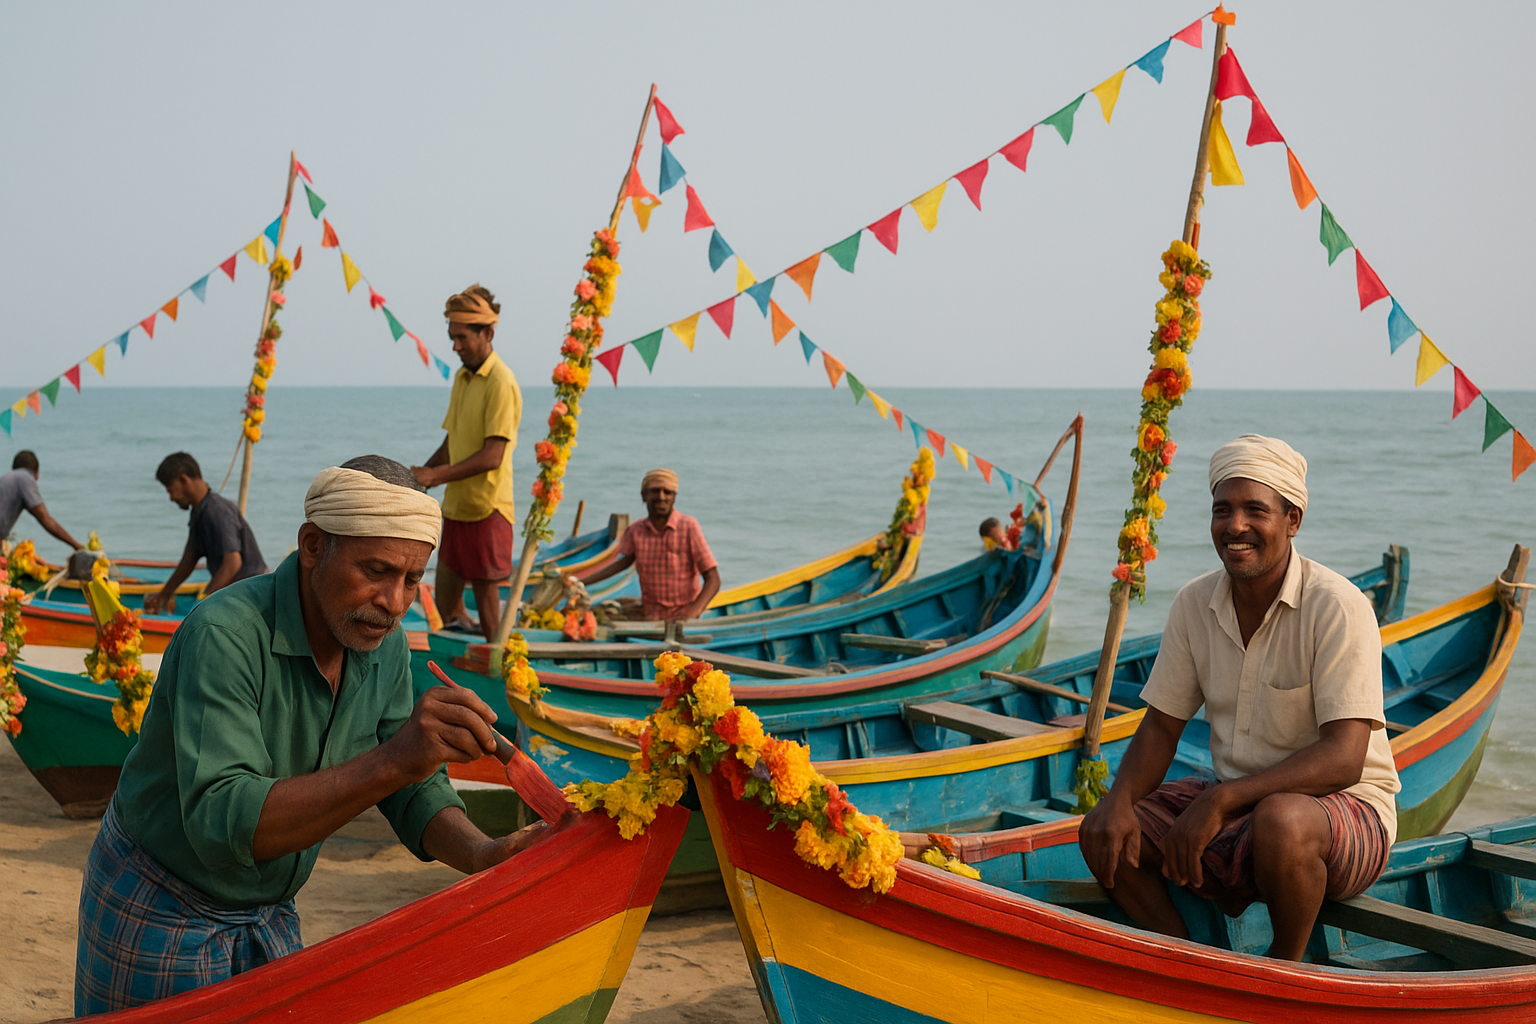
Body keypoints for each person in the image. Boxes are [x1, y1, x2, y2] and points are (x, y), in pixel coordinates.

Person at [75, 456, 538, 1014]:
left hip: (269, 907)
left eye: (412, 580)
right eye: (375, 571)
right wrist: (394, 760)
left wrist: (483, 853)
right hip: (162, 899)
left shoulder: (383, 643)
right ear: (314, 545)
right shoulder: (224, 635)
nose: (393, 603)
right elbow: (223, 821)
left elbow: (413, 784)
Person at [1078, 434, 1400, 961]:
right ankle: (1182, 958)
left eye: (1256, 510)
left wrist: (1221, 799)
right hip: (1238, 801)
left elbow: (1344, 758)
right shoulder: (1194, 603)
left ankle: (1284, 970)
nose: (1235, 526)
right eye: (1222, 510)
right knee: (1106, 832)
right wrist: (1116, 801)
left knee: (1282, 820)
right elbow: (1161, 727)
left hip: (1344, 812)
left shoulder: (1337, 606)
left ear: (1292, 520)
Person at [412, 285, 521, 640]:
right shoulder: (462, 378)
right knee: (445, 603)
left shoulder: (501, 382)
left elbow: (493, 455)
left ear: (487, 333)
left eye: (461, 338)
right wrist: (418, 478)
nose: (455, 346)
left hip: (488, 508)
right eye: (451, 338)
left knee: (489, 606)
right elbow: (452, 440)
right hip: (456, 508)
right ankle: (468, 655)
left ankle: (496, 666)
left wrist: (436, 475)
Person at [584, 468, 720, 622]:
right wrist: (582, 582)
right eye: (655, 491)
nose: (661, 497)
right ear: (644, 496)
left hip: (682, 617)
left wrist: (693, 611)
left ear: (674, 497)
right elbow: (621, 564)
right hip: (650, 617)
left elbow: (713, 580)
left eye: (667, 492)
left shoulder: (688, 526)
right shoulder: (636, 530)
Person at [144, 452, 267, 614]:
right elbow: (190, 558)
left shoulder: (216, 511)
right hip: (236, 593)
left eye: (171, 491)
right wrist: (164, 595)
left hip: (253, 596)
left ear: (184, 480)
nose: (171, 498)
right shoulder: (198, 512)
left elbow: (232, 563)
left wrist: (205, 602)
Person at [0, 450, 84, 551]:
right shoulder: (25, 478)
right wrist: (77, 546)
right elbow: (45, 519)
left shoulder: (8, 478)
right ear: (36, 474)